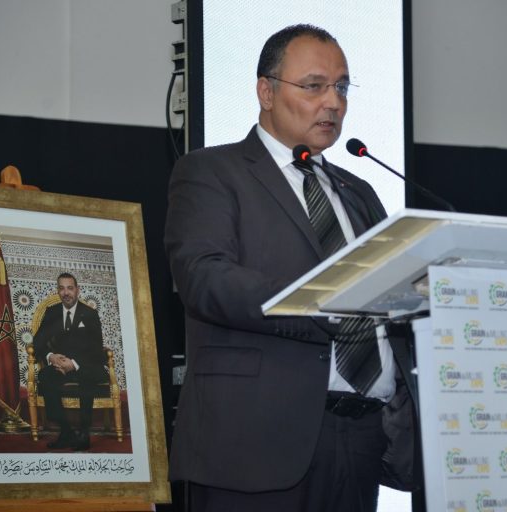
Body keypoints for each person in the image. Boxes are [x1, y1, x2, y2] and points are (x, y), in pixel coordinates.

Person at [164, 24, 418, 511]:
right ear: (266, 91)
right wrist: (325, 304)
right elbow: (204, 278)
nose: (334, 102)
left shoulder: (358, 191)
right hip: (253, 444)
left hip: (362, 440)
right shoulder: (212, 172)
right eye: (314, 86)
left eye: (341, 87)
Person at [33, 272, 106, 451]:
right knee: (45, 376)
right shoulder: (52, 313)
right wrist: (51, 357)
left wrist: (73, 364)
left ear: (77, 290)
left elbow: (97, 349)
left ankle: (84, 433)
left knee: (87, 376)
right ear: (58, 291)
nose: (66, 292)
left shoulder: (90, 314)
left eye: (70, 288)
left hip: (85, 364)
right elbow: (38, 342)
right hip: (60, 365)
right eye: (62, 288)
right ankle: (66, 431)